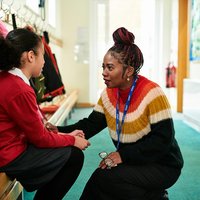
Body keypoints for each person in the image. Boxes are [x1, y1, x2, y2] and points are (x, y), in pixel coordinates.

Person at [47, 27, 184, 200]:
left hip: (162, 164)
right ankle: (154, 196)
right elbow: (89, 125)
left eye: (110, 68)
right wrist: (57, 130)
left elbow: (162, 140)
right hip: (134, 161)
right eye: (103, 67)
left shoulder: (152, 93)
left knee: (106, 179)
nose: (104, 73)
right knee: (104, 181)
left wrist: (122, 155)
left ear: (128, 71)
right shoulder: (108, 95)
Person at [0, 28, 90, 200]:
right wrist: (72, 140)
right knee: (74, 156)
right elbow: (40, 139)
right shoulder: (19, 88)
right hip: (9, 155)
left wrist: (65, 135)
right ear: (31, 56)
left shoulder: (9, 79)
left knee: (67, 150)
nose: (44, 61)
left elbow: (35, 127)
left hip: (10, 147)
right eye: (43, 55)